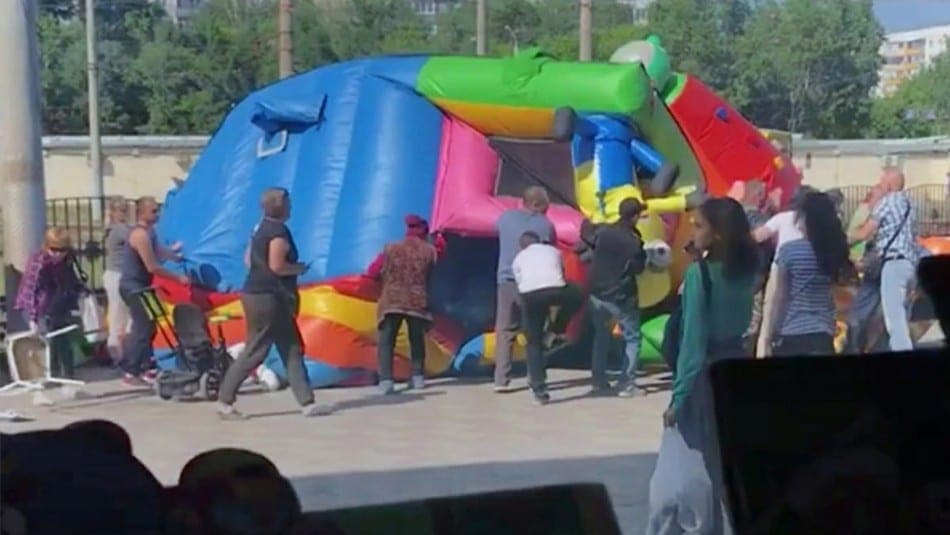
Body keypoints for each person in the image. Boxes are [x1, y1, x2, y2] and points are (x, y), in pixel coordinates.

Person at [662, 197, 758, 535]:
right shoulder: (747, 270)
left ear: (717, 235)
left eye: (699, 225)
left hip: (705, 374)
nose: (692, 228)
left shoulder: (700, 274)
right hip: (737, 368)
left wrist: (678, 396)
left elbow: (693, 341)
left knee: (691, 471)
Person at [216, 188, 333, 420]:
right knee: (256, 349)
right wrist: (298, 268)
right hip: (270, 296)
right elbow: (277, 266)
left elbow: (249, 260)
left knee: (291, 346)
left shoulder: (259, 228)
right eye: (288, 202)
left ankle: (307, 402)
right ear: (281, 205)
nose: (291, 206)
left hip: (256, 292)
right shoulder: (278, 231)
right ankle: (224, 400)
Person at [769, 192, 852, 357]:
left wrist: (773, 329)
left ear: (804, 218)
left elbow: (781, 296)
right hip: (823, 330)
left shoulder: (789, 250)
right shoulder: (832, 251)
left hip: (792, 330)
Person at [365, 215, 439, 395]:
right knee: (416, 339)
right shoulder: (430, 251)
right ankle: (418, 377)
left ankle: (386, 381)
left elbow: (373, 271)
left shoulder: (391, 248)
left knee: (387, 341)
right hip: (417, 300)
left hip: (392, 300)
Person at [120, 197, 189, 387]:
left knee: (151, 325)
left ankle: (145, 366)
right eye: (153, 211)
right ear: (142, 213)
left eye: (157, 210)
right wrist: (178, 278)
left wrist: (175, 256)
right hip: (134, 286)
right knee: (142, 328)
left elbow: (158, 251)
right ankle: (130, 370)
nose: (157, 214)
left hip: (144, 286)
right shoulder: (139, 235)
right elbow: (152, 266)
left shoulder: (150, 232)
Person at [493, 186, 556, 393]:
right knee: (535, 331)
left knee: (504, 330)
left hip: (505, 280)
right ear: (537, 205)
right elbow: (548, 251)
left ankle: (501, 379)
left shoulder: (505, 218)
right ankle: (534, 376)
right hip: (532, 283)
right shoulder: (545, 224)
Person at [850, 168, 920, 352]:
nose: (880, 185)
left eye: (882, 182)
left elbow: (865, 233)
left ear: (889, 184)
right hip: (910, 264)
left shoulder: (888, 201)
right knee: (902, 314)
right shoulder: (911, 204)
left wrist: (847, 238)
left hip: (894, 264)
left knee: (894, 319)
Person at [511, 231, 583, 405]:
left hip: (530, 295)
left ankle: (539, 389)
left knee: (533, 342)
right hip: (555, 289)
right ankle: (555, 330)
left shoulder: (518, 258)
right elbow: (561, 272)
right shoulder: (553, 251)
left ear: (522, 246)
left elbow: (520, 282)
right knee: (577, 295)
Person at [588, 198, 647, 397]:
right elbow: (638, 268)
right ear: (635, 216)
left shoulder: (604, 234)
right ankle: (626, 384)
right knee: (633, 338)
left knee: (601, 336)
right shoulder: (632, 241)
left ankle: (598, 380)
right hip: (621, 296)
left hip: (597, 293)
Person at [13, 227, 86, 379]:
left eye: (62, 250)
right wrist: (33, 319)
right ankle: (43, 376)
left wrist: (79, 293)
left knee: (62, 338)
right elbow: (30, 291)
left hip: (56, 303)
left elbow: (71, 280)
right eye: (54, 249)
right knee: (43, 339)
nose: (58, 254)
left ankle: (67, 376)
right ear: (46, 246)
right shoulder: (38, 262)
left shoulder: (68, 258)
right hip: (35, 305)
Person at [752, 185, 816, 357]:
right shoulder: (814, 221)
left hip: (780, 269)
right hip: (807, 268)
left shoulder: (782, 217)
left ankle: (764, 353)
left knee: (771, 310)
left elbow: (759, 236)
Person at [844, 185, 886, 354]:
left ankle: (855, 348)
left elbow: (860, 236)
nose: (870, 200)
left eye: (873, 197)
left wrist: (839, 245)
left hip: (873, 269)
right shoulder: (873, 213)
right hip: (880, 269)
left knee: (857, 314)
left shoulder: (876, 215)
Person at [103, 197, 132, 365]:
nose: (124, 213)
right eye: (121, 210)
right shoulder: (120, 229)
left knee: (122, 315)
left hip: (116, 275)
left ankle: (121, 353)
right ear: (113, 212)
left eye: (126, 209)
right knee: (119, 316)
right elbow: (138, 235)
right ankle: (117, 354)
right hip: (118, 275)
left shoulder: (114, 228)